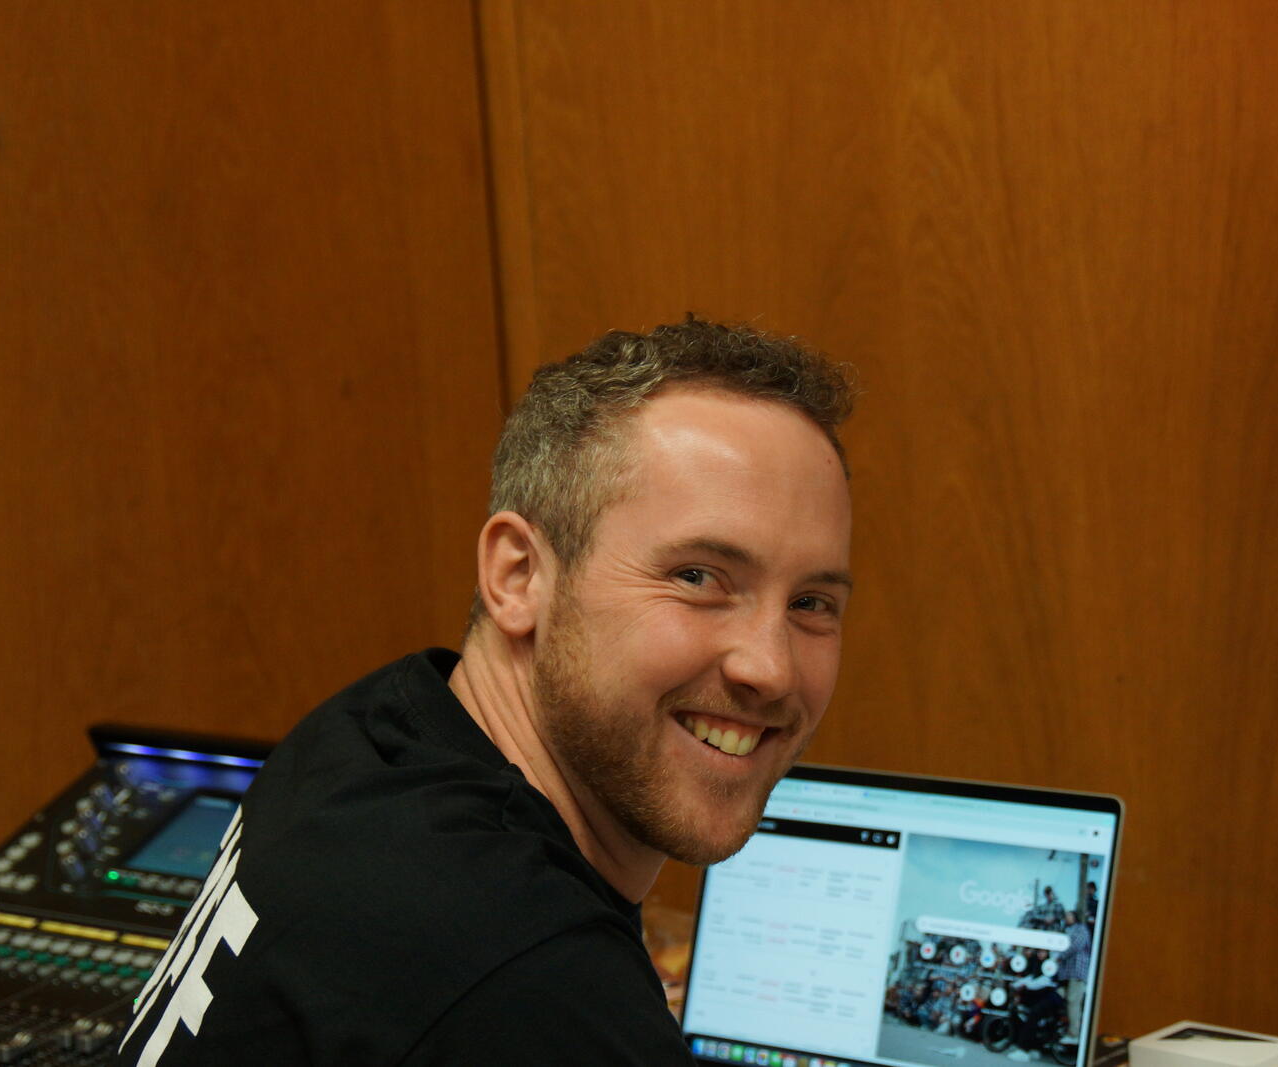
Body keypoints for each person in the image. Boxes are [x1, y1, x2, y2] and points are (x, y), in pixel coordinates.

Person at [114, 318, 857, 1065]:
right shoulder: (529, 976)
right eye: (697, 577)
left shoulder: (372, 733)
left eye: (811, 603)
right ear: (518, 576)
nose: (771, 668)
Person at [1058, 909, 1093, 1045]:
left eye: (1069, 915)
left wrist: (1060, 956)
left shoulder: (1081, 929)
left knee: (1073, 1002)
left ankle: (1074, 1034)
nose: (1066, 917)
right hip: (1068, 973)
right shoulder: (1067, 929)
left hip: (1077, 972)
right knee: (1066, 998)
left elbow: (1074, 946)